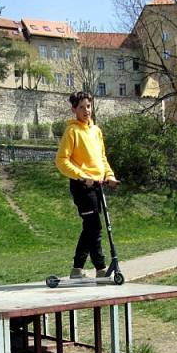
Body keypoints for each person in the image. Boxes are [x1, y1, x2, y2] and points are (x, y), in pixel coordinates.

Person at [55, 91, 118, 279]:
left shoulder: (96, 131)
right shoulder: (72, 131)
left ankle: (77, 269)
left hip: (97, 185)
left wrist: (110, 175)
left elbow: (102, 158)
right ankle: (101, 269)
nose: (86, 110)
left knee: (90, 227)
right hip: (82, 186)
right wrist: (82, 176)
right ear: (74, 109)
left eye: (88, 106)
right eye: (81, 107)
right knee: (95, 228)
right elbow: (61, 161)